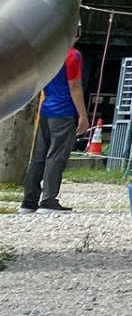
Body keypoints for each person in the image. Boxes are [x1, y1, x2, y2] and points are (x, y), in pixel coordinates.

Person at [21, 41, 88, 214]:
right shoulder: (73, 55)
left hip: (46, 110)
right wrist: (83, 115)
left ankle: (29, 202)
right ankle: (48, 200)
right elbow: (74, 86)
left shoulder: (47, 52)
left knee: (38, 157)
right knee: (56, 157)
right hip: (64, 112)